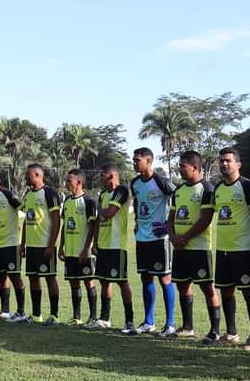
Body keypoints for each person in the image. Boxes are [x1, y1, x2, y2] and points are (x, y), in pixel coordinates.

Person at [167, 150, 222, 344]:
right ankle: (187, 327)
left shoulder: (207, 189)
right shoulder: (178, 191)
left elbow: (206, 219)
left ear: (195, 167)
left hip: (199, 248)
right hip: (180, 248)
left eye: (183, 166)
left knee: (207, 287)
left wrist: (185, 237)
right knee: (183, 285)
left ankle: (214, 330)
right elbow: (170, 218)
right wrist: (173, 237)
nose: (180, 169)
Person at [212, 147, 250, 348]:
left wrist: (249, 236)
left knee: (248, 292)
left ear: (238, 164)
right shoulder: (218, 188)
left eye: (228, 160)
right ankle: (231, 332)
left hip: (243, 250)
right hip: (222, 249)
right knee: (226, 292)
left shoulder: (247, 186)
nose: (224, 164)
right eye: (221, 160)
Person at [130, 147, 177, 335]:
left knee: (165, 278)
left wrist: (168, 225)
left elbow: (178, 199)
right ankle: (149, 322)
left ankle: (170, 324)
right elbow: (137, 202)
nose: (134, 163)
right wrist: (136, 222)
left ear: (149, 161)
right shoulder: (134, 183)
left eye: (137, 160)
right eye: (133, 160)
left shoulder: (161, 181)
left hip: (159, 239)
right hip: (142, 238)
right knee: (146, 277)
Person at [95, 164, 135, 333]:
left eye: (102, 176)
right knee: (104, 281)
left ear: (111, 176)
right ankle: (104, 318)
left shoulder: (121, 191)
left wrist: (100, 209)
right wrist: (95, 242)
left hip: (117, 245)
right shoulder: (103, 194)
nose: (100, 179)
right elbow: (99, 219)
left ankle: (129, 321)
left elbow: (109, 213)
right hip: (103, 245)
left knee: (122, 281)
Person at [20, 164, 62, 325]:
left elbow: (56, 221)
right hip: (31, 245)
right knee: (33, 278)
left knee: (50, 278)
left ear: (37, 175)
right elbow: (27, 220)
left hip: (45, 245)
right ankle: (36, 315)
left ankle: (54, 315)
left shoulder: (50, 193)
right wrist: (22, 243)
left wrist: (51, 245)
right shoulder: (28, 194)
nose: (25, 176)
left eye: (28, 174)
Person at [0, 170, 27, 321]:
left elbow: (24, 210)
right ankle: (5, 311)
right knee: (1, 278)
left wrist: (21, 238)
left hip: (11, 244)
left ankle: (21, 312)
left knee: (15, 277)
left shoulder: (8, 195)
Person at [59, 168, 98, 326]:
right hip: (70, 251)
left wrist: (86, 248)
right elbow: (65, 225)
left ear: (79, 182)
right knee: (73, 282)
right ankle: (76, 317)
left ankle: (93, 317)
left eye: (69, 181)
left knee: (89, 282)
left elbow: (93, 226)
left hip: (84, 252)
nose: (66, 183)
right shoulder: (67, 201)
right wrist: (61, 246)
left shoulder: (88, 201)